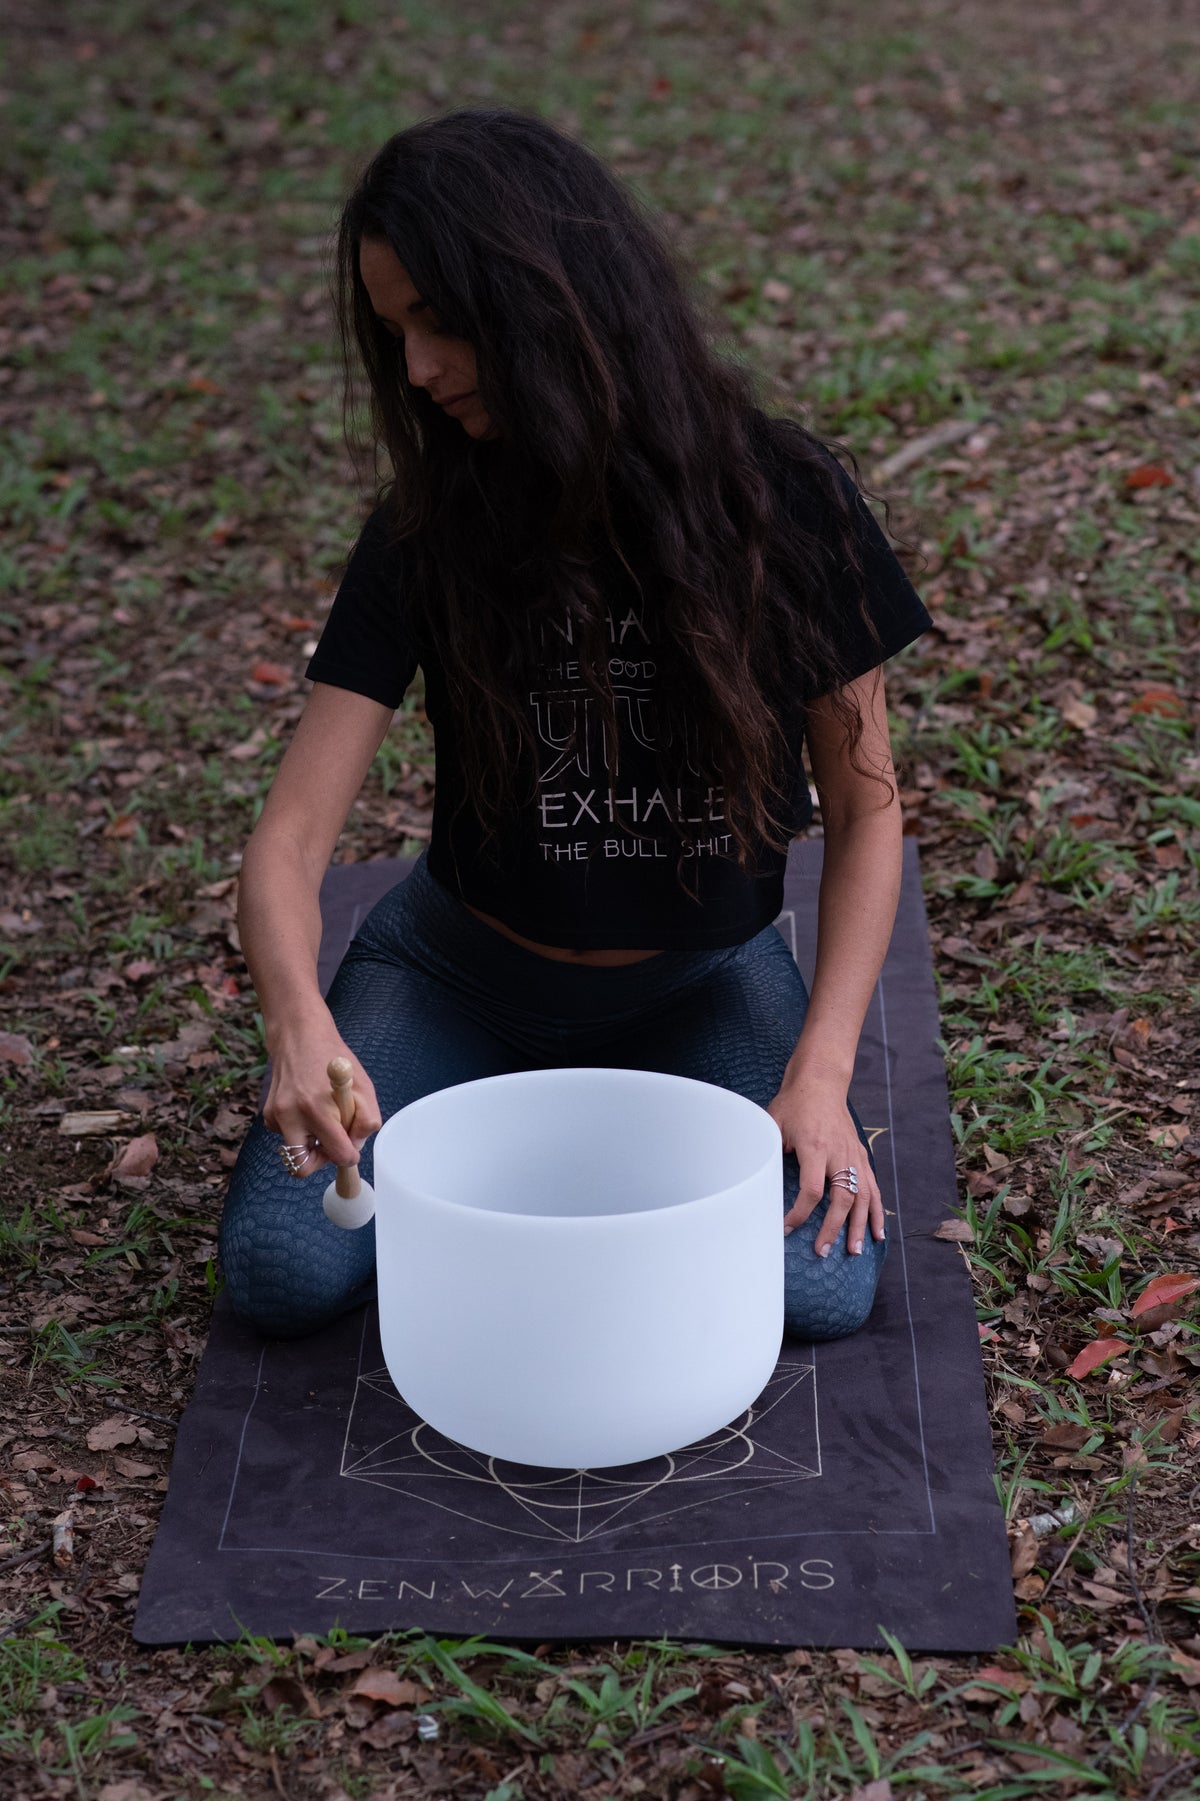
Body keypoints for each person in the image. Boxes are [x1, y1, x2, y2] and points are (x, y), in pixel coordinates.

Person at [218, 108, 931, 1344]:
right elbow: (287, 840)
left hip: (702, 982)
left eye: (440, 322)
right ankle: (494, 1120)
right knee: (286, 1275)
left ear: (546, 296)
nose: (423, 369)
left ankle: (535, 1143)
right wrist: (299, 1024)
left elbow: (866, 812)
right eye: (398, 335)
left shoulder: (785, 504)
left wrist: (820, 1072)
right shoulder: (425, 531)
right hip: (457, 974)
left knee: (820, 1290)